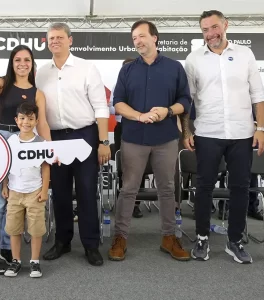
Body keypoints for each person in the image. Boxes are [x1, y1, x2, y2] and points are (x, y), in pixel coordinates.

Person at [182, 10, 264, 264]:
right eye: (205, 30)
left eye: (214, 27)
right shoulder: (194, 59)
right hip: (207, 132)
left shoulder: (245, 54)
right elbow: (188, 99)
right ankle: (201, 239)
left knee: (241, 187)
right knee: (204, 187)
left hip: (242, 133)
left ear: (225, 25)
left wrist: (261, 129)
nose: (210, 34)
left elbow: (258, 95)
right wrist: (187, 131)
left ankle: (235, 241)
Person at [108, 20, 191, 262]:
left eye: (142, 36)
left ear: (155, 38)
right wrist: (139, 116)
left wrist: (168, 110)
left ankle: (169, 237)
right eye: (134, 38)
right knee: (128, 189)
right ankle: (120, 237)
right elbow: (118, 103)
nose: (138, 41)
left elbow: (185, 100)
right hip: (134, 138)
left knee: (167, 189)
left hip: (165, 138)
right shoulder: (127, 70)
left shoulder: (174, 67)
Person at [36, 22, 110, 266]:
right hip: (55, 138)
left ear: (70, 40)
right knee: (60, 192)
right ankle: (63, 241)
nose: (55, 41)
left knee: (87, 191)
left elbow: (101, 106)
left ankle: (91, 244)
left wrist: (103, 141)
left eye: (59, 37)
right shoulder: (41, 72)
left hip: (85, 136)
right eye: (51, 38)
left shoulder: (86, 68)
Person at [0, 44, 51, 274]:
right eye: (17, 59)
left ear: (32, 64)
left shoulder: (37, 93)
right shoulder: (1, 83)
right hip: (0, 140)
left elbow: (42, 123)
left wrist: (50, 149)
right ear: (12, 62)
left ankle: (8, 249)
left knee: (15, 200)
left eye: (27, 60)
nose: (22, 64)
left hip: (26, 140)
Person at [1, 102, 49, 278]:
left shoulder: (41, 142)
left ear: (36, 121)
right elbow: (6, 165)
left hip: (34, 192)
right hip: (14, 192)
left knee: (36, 229)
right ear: (16, 120)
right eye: (22, 118)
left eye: (30, 119)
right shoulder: (11, 141)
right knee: (14, 228)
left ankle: (35, 262)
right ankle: (16, 260)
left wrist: (44, 190)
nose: (26, 122)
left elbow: (45, 167)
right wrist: (4, 185)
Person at [109, 58, 144, 219]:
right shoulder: (119, 84)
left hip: (141, 128)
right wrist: (124, 109)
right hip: (122, 128)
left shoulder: (143, 86)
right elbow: (110, 107)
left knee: (141, 167)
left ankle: (136, 204)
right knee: (123, 167)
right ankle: (122, 201)